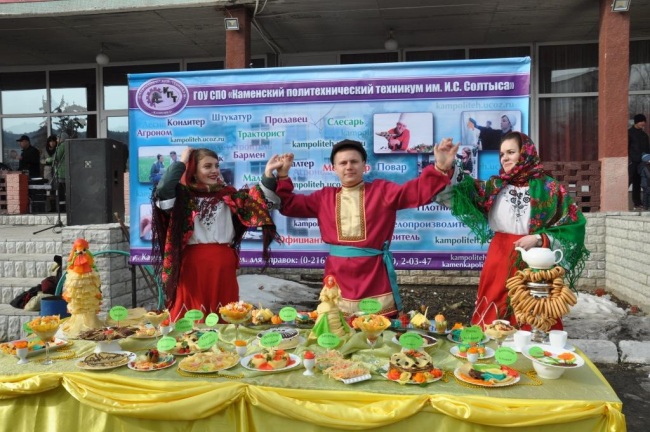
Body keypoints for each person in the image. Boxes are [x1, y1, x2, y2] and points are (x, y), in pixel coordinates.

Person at [274, 138, 459, 317]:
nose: (349, 166)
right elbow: (289, 205)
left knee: (377, 331)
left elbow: (414, 192)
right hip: (337, 279)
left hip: (374, 279)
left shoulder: (381, 191)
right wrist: (282, 176)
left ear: (364, 165)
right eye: (343, 163)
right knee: (336, 330)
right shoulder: (324, 197)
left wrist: (440, 168)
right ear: (334, 168)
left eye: (354, 161)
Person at [436, 132, 588, 329]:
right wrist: (445, 169)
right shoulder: (494, 187)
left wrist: (539, 238)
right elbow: (462, 193)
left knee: (533, 313)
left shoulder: (550, 189)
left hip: (534, 261)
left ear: (525, 153)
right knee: (494, 316)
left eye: (511, 152)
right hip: (500, 258)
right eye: (501, 154)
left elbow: (574, 226)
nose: (505, 158)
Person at [151, 147, 283, 322]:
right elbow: (163, 189)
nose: (214, 170)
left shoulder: (229, 195)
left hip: (223, 265)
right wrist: (182, 162)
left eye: (216, 165)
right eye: (207, 166)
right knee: (191, 314)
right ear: (194, 171)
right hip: (192, 266)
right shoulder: (182, 198)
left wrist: (268, 173)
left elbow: (258, 201)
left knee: (225, 314)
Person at [628, 114, 650, 210]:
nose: (643, 123)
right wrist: (629, 160)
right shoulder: (629, 133)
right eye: (641, 121)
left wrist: (648, 159)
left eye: (644, 122)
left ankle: (637, 203)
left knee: (638, 182)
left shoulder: (644, 135)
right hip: (632, 162)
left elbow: (648, 149)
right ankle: (619, 201)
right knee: (628, 180)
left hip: (642, 162)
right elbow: (626, 148)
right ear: (636, 122)